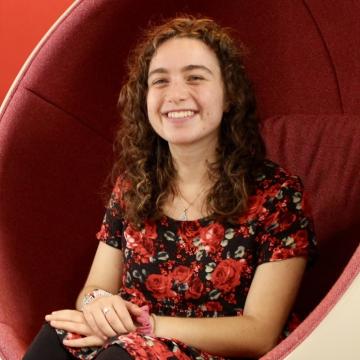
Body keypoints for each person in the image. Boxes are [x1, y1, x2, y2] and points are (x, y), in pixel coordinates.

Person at [24, 15, 316, 360]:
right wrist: (99, 305)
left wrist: (148, 326)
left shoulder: (277, 195)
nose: (176, 94)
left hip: (213, 352)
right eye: (160, 81)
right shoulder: (134, 186)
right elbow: (94, 288)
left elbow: (258, 332)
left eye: (195, 77)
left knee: (118, 357)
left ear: (229, 96)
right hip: (131, 340)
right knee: (59, 337)